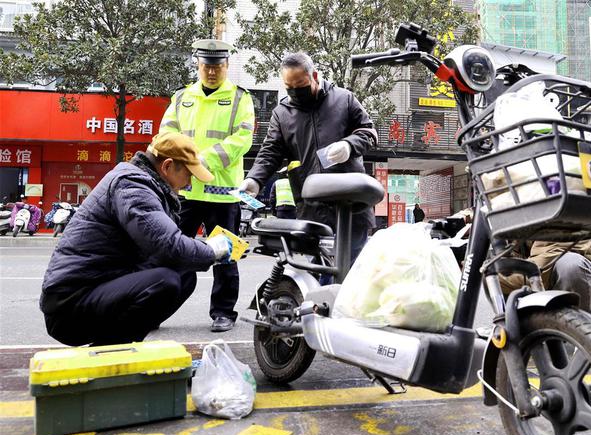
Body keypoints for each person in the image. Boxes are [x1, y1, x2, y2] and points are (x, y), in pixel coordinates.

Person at [40, 133, 233, 346]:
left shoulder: (147, 185)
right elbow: (168, 245)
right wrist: (211, 250)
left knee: (184, 274)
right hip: (69, 305)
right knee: (165, 282)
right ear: (167, 166)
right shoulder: (132, 187)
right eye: (188, 175)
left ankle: (117, 344)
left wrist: (203, 252)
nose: (189, 184)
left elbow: (167, 249)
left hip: (100, 285)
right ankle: (112, 352)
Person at [239, 52, 378, 263]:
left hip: (351, 205)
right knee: (321, 269)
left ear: (314, 75)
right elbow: (270, 152)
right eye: (289, 86)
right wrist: (255, 179)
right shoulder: (282, 113)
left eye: (300, 84)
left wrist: (349, 145)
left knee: (351, 270)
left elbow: (368, 133)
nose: (295, 91)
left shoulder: (344, 99)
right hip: (314, 208)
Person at [159, 39, 255, 332]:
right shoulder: (182, 97)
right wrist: (185, 162)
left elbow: (242, 140)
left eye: (217, 67)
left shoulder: (241, 99)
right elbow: (166, 133)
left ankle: (224, 312)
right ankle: (158, 309)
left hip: (223, 194)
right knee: (175, 253)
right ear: (198, 66)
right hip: (186, 192)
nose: (211, 72)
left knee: (226, 256)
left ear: (226, 67)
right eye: (206, 66)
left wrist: (202, 161)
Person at [499, 240, 591, 314]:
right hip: (544, 278)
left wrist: (499, 278)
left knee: (571, 265)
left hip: (587, 281)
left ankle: (583, 338)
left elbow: (541, 267)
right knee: (499, 274)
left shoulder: (560, 212)